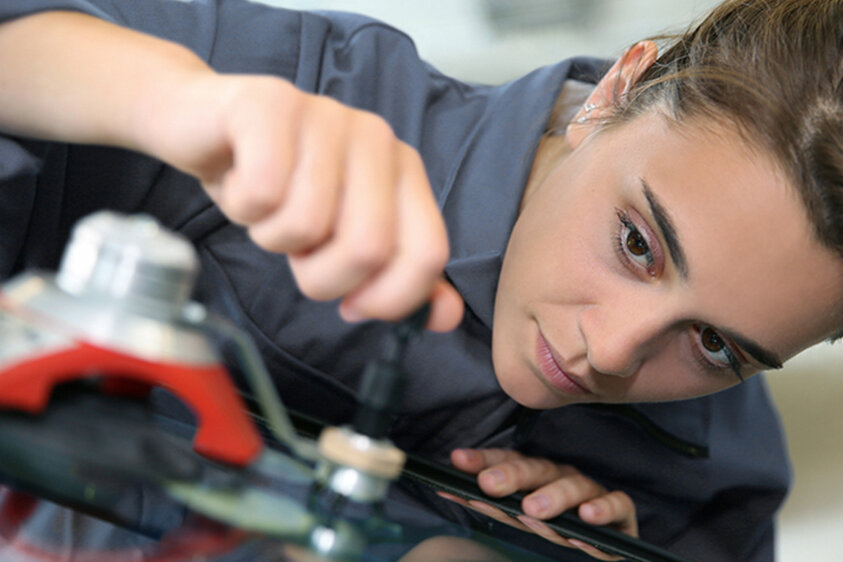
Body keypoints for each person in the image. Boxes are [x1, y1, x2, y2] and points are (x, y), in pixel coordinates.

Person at [0, 0, 840, 560]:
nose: (610, 353)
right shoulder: (309, 86)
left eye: (714, 345)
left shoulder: (716, 484)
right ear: (614, 91)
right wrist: (171, 104)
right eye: (635, 243)